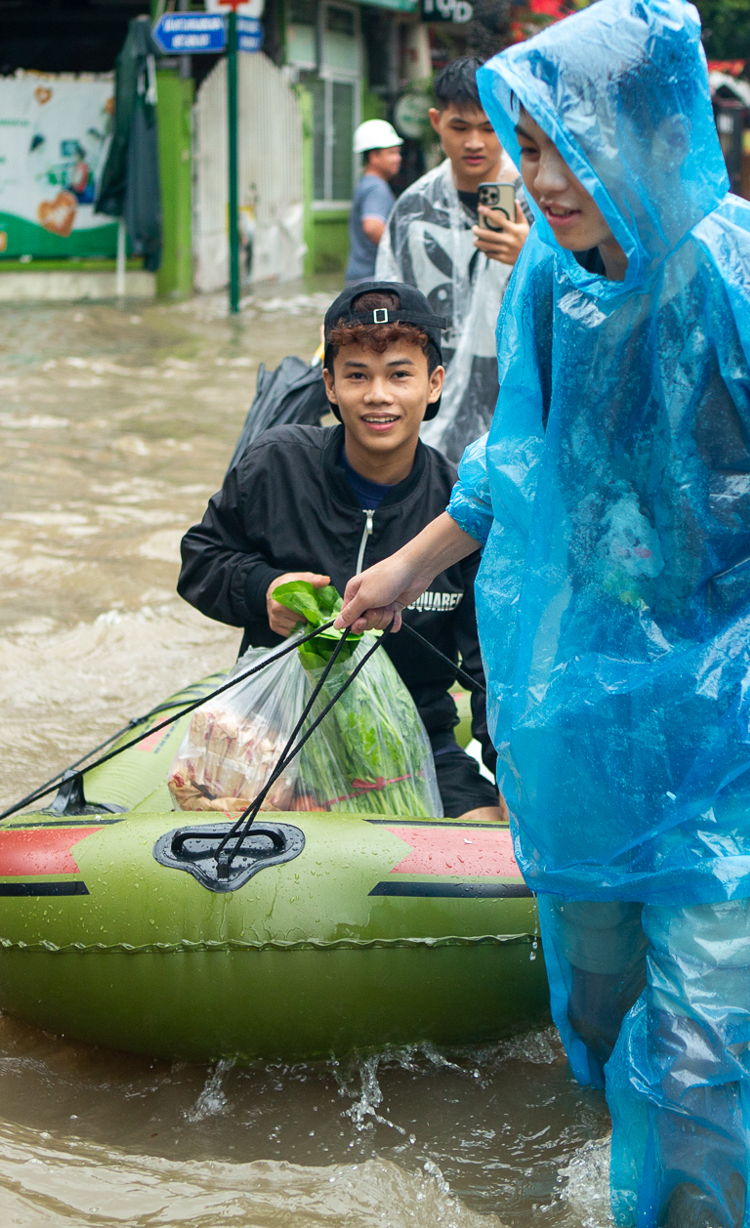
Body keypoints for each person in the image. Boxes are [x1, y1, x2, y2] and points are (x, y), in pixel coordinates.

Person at [335, 0, 750, 1228]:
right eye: (527, 147)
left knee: (695, 1053)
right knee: (595, 1013)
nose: (541, 179)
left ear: (653, 131)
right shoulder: (548, 277)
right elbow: (515, 461)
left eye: (565, 144)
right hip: (593, 715)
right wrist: (405, 568)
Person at [177, 279, 503, 823]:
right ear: (329, 386)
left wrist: (513, 786)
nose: (378, 395)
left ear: (434, 384)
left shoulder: (462, 514)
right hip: (277, 737)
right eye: (357, 375)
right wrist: (264, 593)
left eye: (400, 374)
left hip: (416, 740)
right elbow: (200, 558)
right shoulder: (276, 464)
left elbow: (490, 669)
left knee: (487, 834)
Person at [374, 58, 531, 459]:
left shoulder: (541, 203)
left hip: (519, 406)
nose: (474, 142)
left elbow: (578, 300)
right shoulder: (413, 209)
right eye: (460, 127)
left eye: (488, 127)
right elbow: (388, 308)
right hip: (431, 413)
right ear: (435, 121)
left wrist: (529, 257)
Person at [346, 120, 403, 285]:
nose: (398, 158)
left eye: (398, 153)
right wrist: (402, 253)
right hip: (373, 277)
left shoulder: (366, 182)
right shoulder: (376, 187)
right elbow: (372, 227)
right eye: (392, 153)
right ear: (373, 157)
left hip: (361, 275)